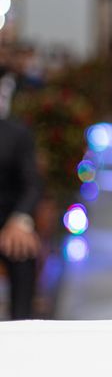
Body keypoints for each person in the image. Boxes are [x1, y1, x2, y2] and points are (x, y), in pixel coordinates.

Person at [0, 118, 41, 320]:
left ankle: (22, 322)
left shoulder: (17, 133)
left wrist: (19, 220)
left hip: (8, 223)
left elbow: (32, 186)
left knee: (23, 249)